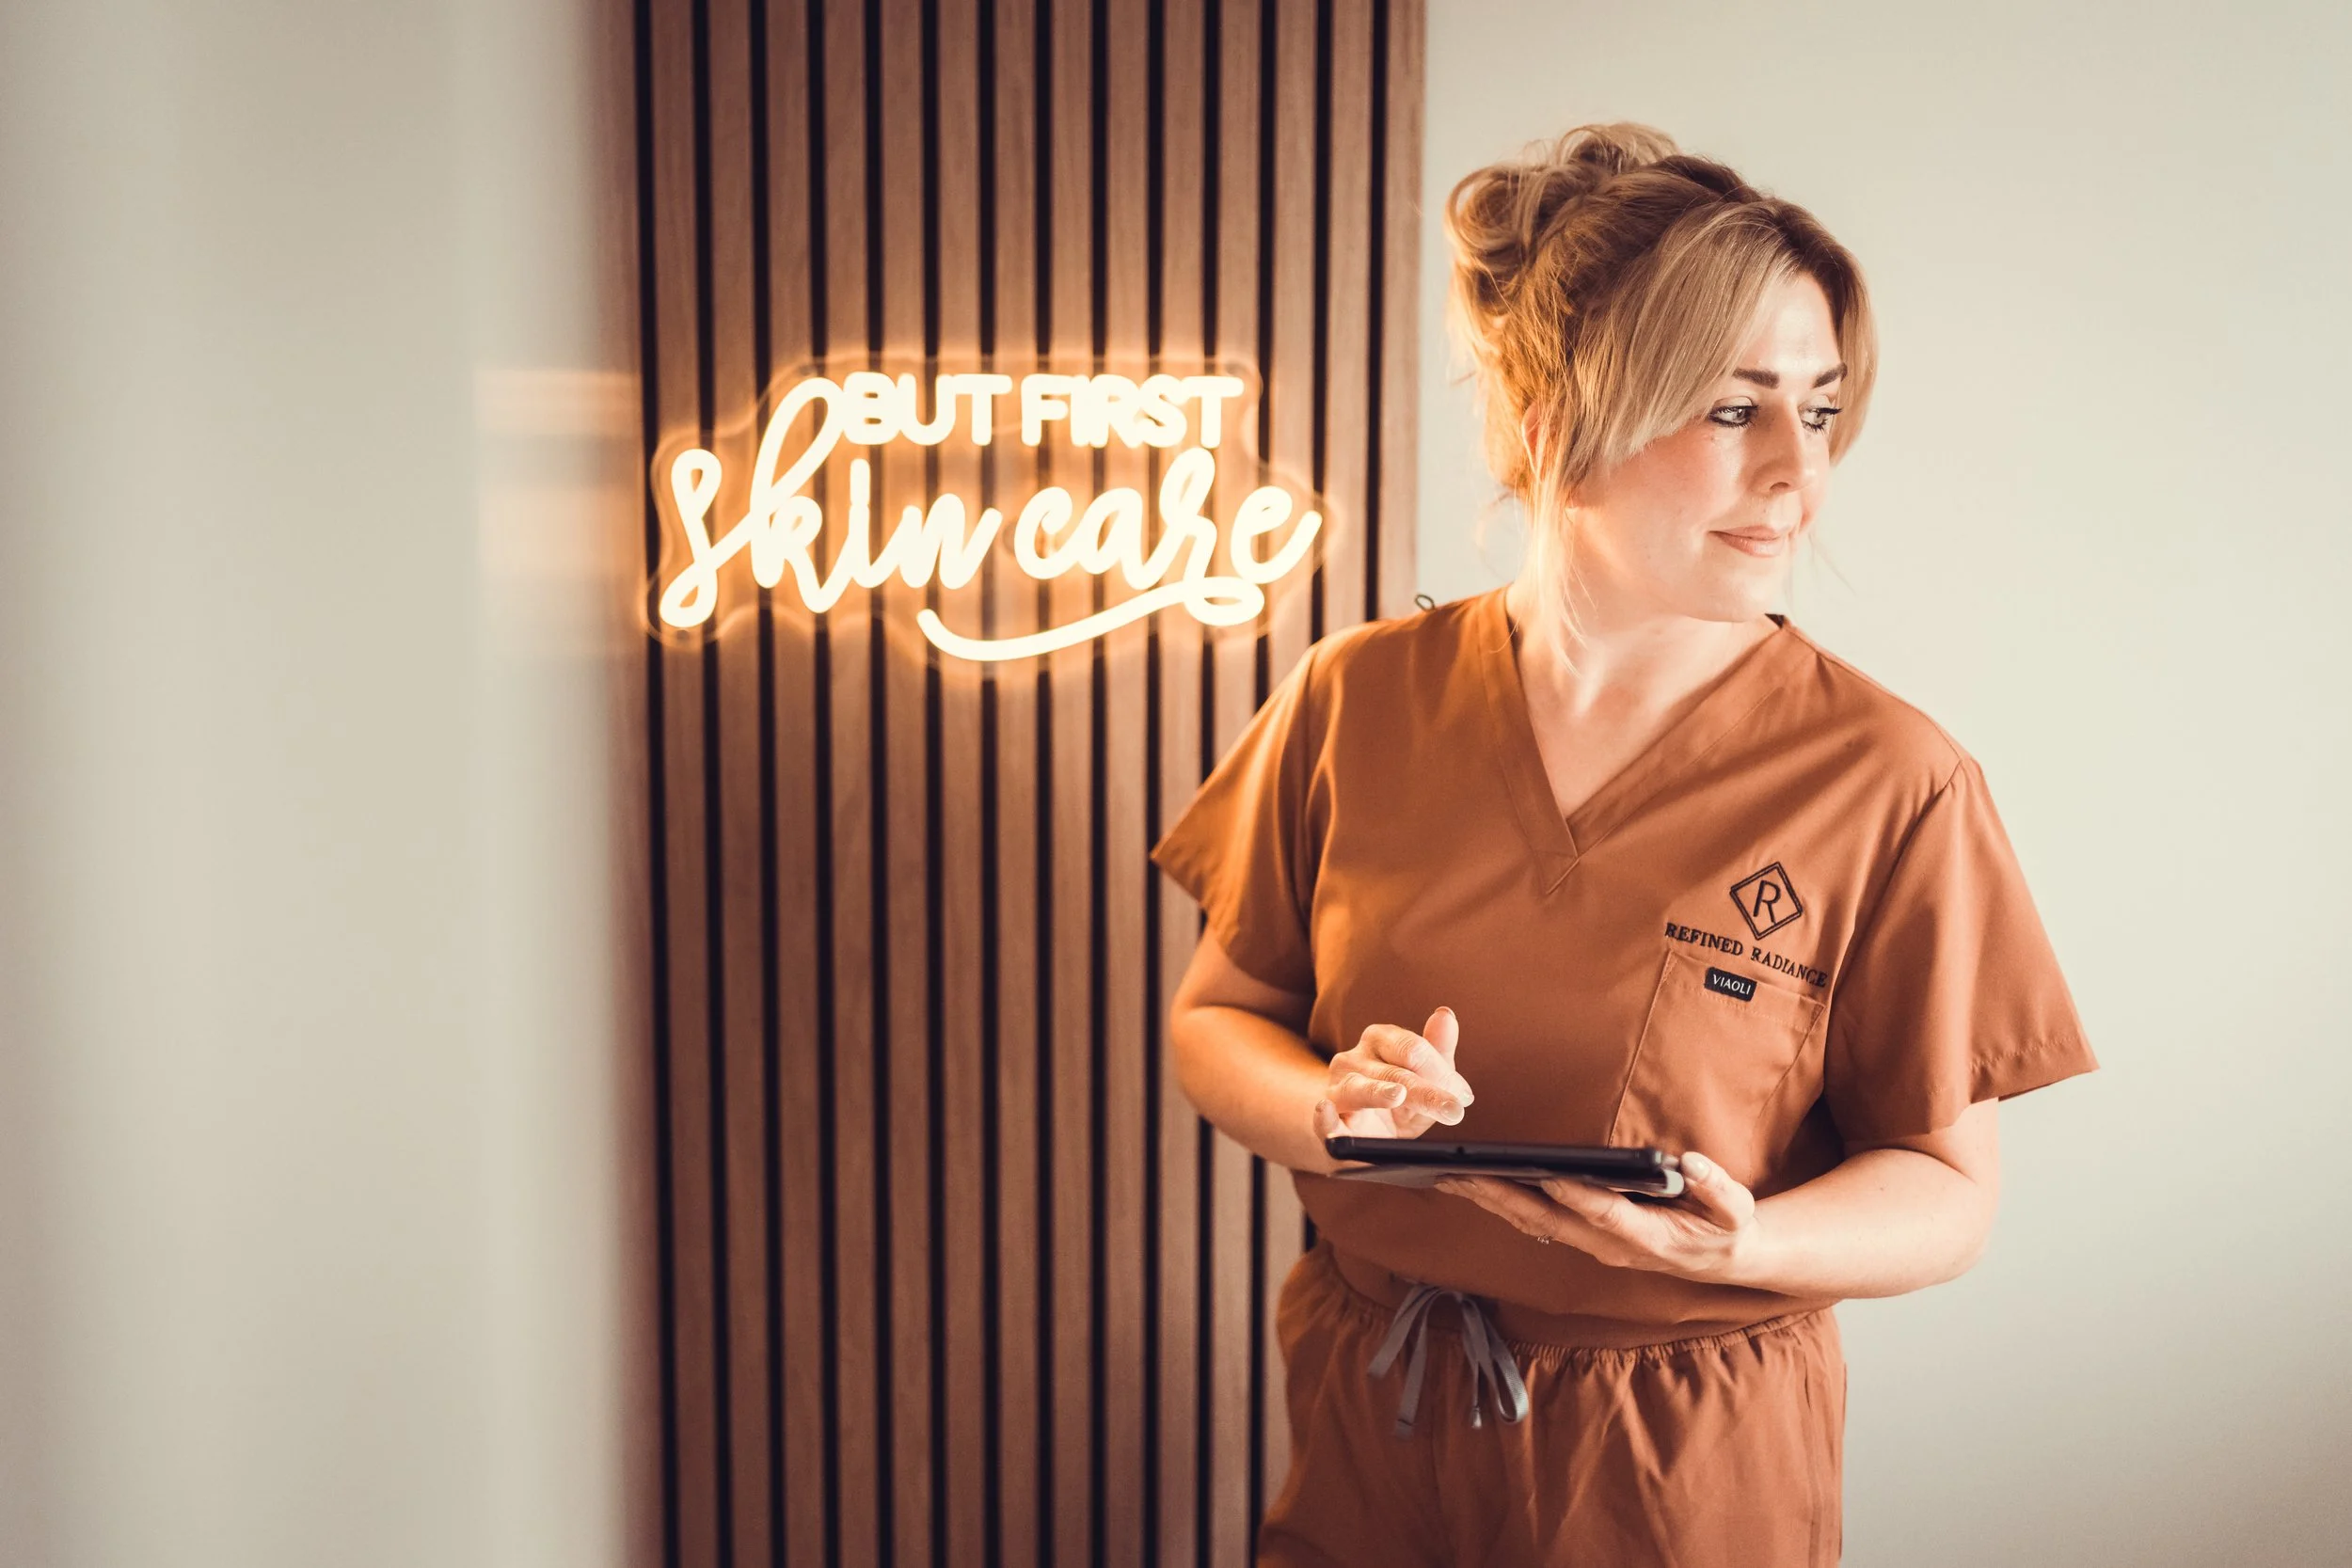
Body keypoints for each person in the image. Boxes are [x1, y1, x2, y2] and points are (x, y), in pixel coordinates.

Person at [1150, 121, 2100, 1568]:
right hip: (1372, 1413)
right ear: (1550, 426)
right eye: (1734, 410)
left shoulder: (1889, 780)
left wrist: (1749, 1244)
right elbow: (1220, 1022)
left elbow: (1948, 1187)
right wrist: (1332, 1108)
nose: (1799, 472)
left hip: (1679, 1460)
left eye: (1822, 409)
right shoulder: (1355, 701)